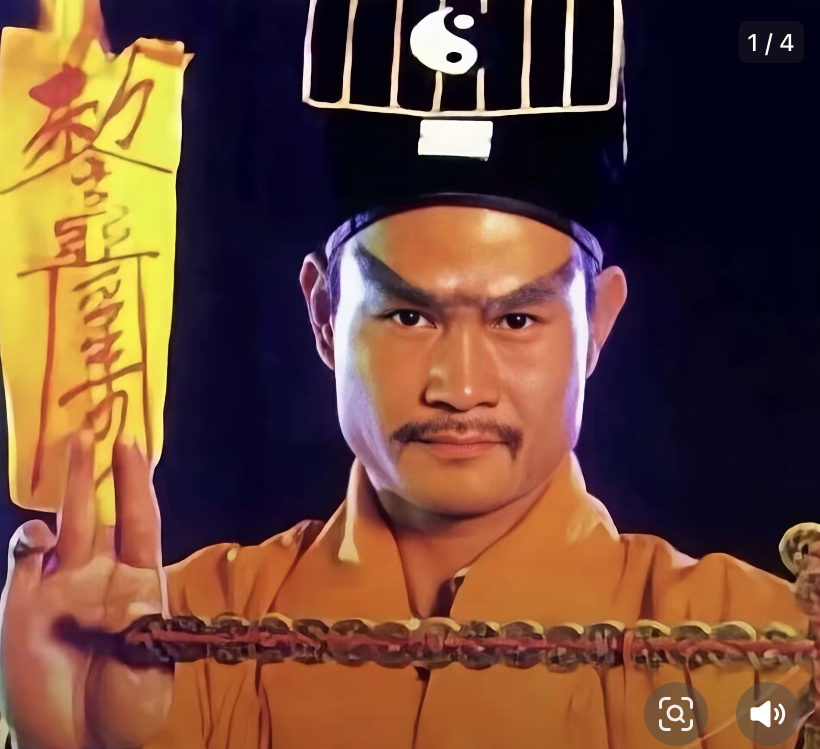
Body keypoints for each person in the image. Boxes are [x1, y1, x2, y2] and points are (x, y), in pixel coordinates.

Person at [0, 3, 812, 749]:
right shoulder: (172, 638)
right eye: (408, 315)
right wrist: (62, 738)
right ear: (324, 313)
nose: (459, 385)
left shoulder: (760, 648)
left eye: (516, 320)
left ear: (597, 323)